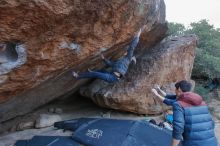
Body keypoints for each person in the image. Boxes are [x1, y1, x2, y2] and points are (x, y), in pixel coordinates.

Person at [151, 80, 218, 146]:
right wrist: (159, 90)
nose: (175, 90)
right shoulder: (202, 103)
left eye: (175, 89)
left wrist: (156, 95)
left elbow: (178, 129)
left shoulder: (179, 104)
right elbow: (212, 123)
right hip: (213, 142)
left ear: (179, 89)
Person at [72, 28, 142, 83]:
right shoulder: (120, 61)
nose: (125, 52)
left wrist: (137, 36)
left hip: (113, 78)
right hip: (111, 74)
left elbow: (132, 47)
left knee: (97, 74)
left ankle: (78, 76)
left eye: (126, 52)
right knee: (102, 71)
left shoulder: (128, 58)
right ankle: (91, 72)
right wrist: (103, 59)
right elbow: (110, 64)